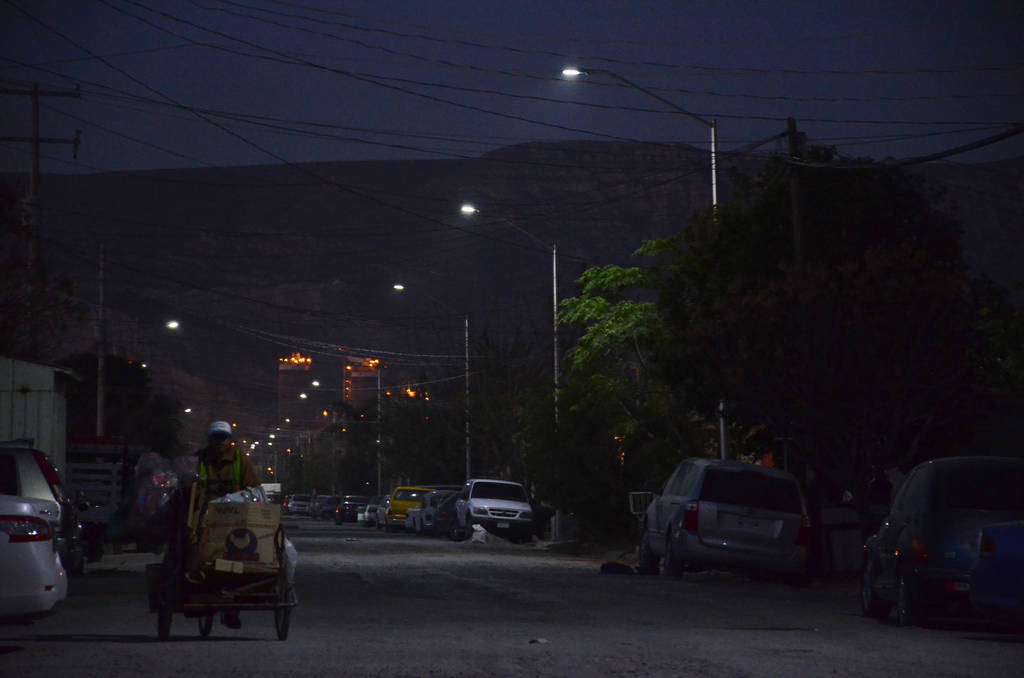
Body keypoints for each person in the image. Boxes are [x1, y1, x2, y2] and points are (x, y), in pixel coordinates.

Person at [189, 420, 261, 629]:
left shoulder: (240, 459)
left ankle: (231, 608)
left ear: (230, 440)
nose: (219, 442)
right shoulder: (199, 459)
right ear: (209, 440)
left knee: (237, 553)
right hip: (205, 514)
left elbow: (253, 486)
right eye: (216, 438)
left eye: (223, 438)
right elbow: (189, 483)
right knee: (193, 543)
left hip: (234, 514)